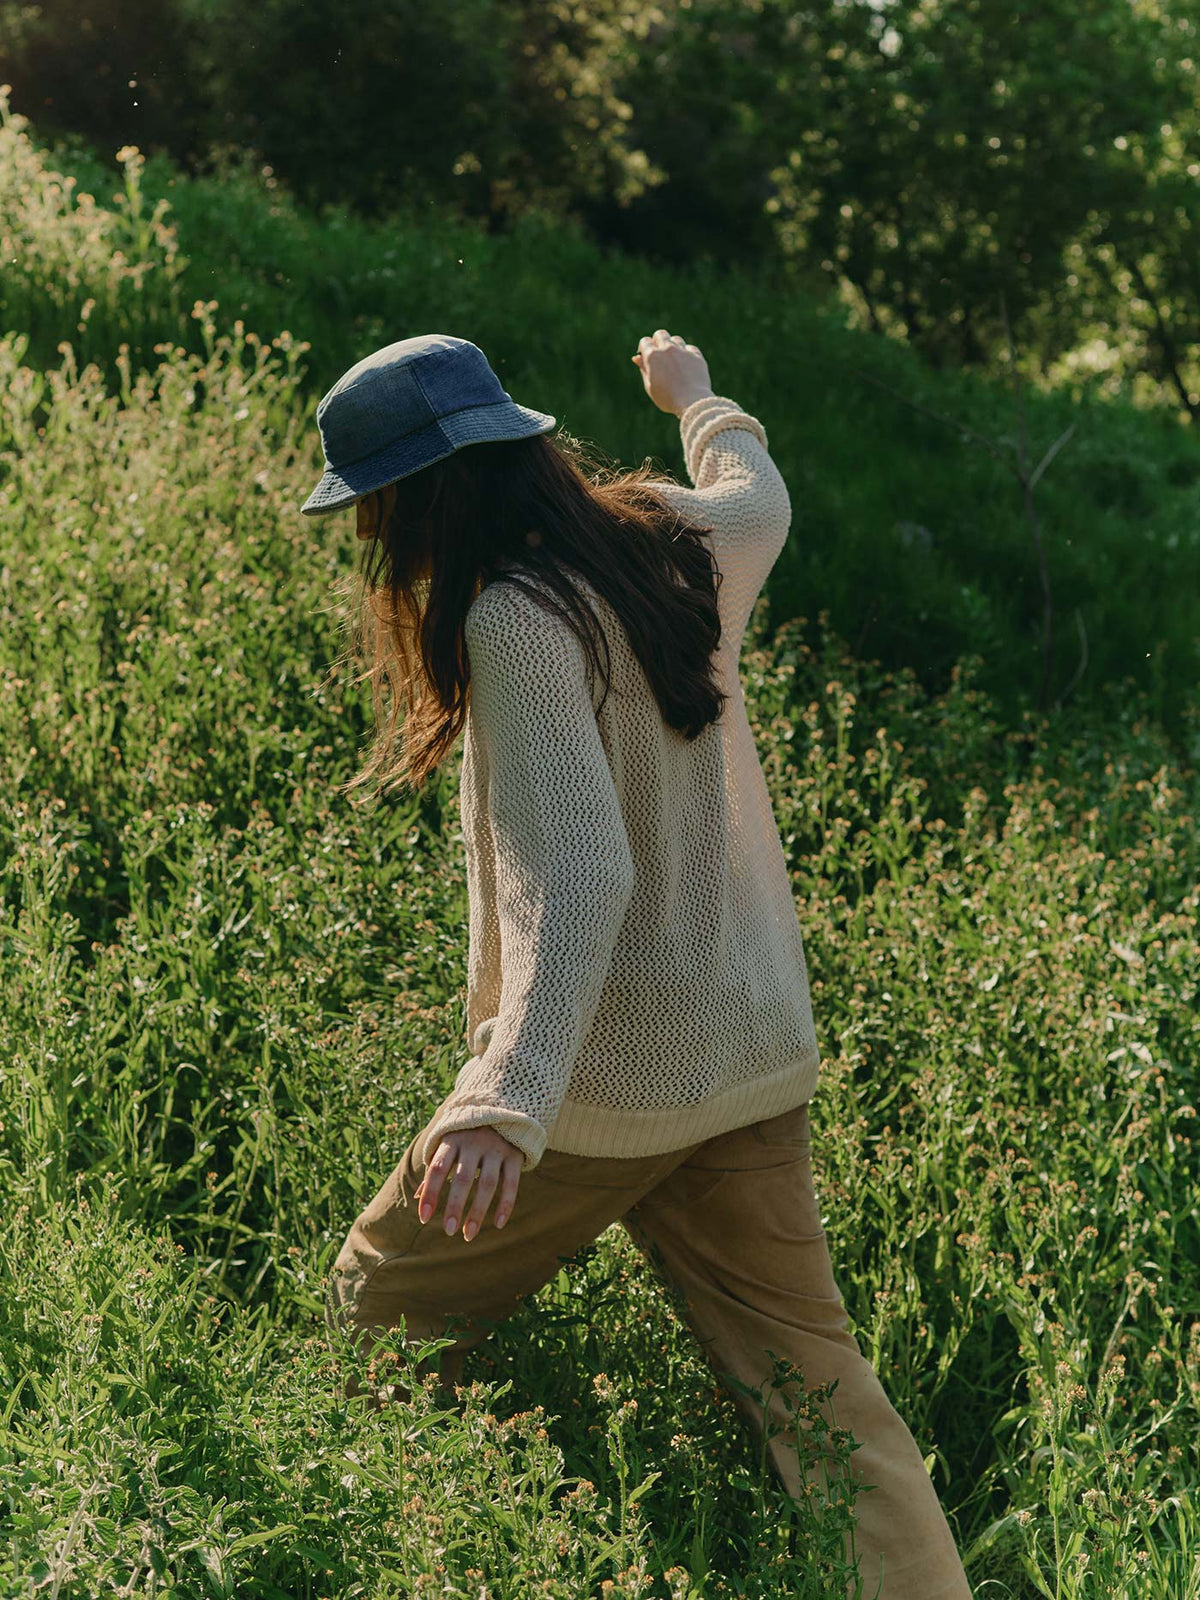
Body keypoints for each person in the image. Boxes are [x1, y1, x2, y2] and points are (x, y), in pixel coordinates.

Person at [302, 330, 973, 1599]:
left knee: (376, 1306)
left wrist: (510, 1098)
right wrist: (696, 395)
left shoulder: (512, 613)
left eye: (374, 504)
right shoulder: (661, 533)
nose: (374, 536)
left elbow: (580, 875)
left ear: (416, 494)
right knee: (821, 1399)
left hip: (608, 1085)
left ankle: (434, 1549)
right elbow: (760, 502)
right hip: (750, 1052)